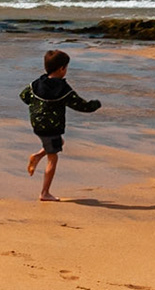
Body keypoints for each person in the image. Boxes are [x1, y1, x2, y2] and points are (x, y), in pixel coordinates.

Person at [21, 49, 102, 202]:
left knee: (58, 143)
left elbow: (24, 96)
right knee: (53, 158)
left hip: (37, 124)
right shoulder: (62, 89)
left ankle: (37, 156)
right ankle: (44, 193)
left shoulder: (36, 84)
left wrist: (38, 107)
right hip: (52, 127)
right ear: (62, 69)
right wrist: (95, 104)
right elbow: (81, 105)